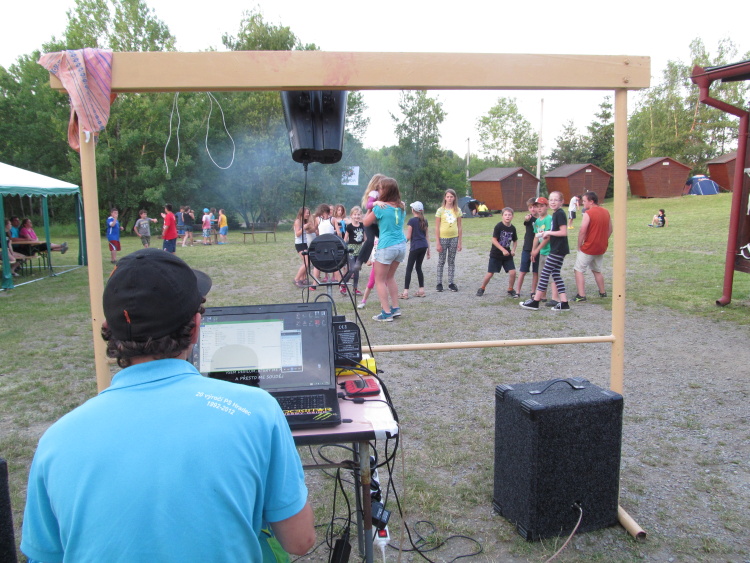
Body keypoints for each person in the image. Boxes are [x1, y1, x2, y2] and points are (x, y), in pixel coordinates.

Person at [20, 249, 315, 562]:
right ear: (196, 327)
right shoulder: (258, 411)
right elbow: (299, 541)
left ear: (109, 328)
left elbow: (46, 555)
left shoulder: (56, 439)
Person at [363, 177, 407, 322]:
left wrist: (371, 206)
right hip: (401, 245)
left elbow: (365, 222)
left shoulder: (380, 208)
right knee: (390, 277)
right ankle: (395, 308)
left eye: (380, 188)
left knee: (379, 280)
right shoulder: (402, 207)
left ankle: (386, 313)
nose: (378, 191)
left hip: (387, 246)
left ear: (386, 191)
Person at [520, 191, 571, 311]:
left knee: (545, 273)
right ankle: (564, 303)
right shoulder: (556, 214)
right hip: (558, 248)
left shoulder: (559, 214)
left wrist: (548, 232)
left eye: (556, 200)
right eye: (551, 200)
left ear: (562, 202)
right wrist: (545, 233)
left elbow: (563, 232)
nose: (553, 202)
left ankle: (535, 301)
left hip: (558, 249)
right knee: (555, 274)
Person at [573, 191, 613, 302]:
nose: (583, 203)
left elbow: (582, 230)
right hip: (601, 247)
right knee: (597, 270)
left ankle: (581, 295)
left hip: (589, 247)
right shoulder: (606, 212)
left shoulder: (588, 213)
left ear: (591, 201)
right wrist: (603, 239)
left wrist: (579, 245)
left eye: (584, 201)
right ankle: (602, 292)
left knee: (578, 270)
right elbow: (610, 229)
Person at [476, 207, 519, 297]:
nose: (507, 216)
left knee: (513, 272)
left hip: (507, 255)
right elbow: (494, 240)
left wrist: (513, 250)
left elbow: (515, 241)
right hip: (496, 254)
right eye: (505, 215)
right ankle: (482, 288)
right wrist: (503, 250)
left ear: (512, 216)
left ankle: (510, 289)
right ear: (502, 216)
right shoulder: (499, 226)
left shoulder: (513, 228)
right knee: (490, 273)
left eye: (509, 215)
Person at [354, 174, 386, 273]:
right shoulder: (374, 193)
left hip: (378, 223)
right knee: (370, 240)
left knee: (384, 238)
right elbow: (368, 205)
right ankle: (359, 261)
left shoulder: (384, 193)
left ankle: (382, 258)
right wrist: (376, 203)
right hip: (370, 222)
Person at [435, 188, 463, 292]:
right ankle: (439, 283)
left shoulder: (457, 210)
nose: (450, 198)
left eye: (451, 197)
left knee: (451, 261)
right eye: (448, 197)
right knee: (441, 261)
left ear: (454, 198)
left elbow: (459, 226)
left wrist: (460, 242)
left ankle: (451, 283)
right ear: (445, 198)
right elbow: (437, 227)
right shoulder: (440, 210)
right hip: (443, 238)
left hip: (454, 238)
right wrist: (437, 242)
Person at [400, 201, 430, 299]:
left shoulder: (412, 221)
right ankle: (421, 290)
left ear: (413, 210)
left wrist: (402, 242)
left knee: (409, 268)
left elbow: (408, 236)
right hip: (424, 246)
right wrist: (429, 250)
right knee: (418, 267)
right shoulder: (425, 221)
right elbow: (427, 236)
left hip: (415, 246)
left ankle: (405, 292)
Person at [514, 198, 540, 298]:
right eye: (530, 207)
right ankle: (517, 291)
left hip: (538, 249)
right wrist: (526, 219)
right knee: (523, 270)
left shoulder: (541, 219)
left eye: (534, 207)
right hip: (527, 248)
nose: (532, 209)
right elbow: (526, 221)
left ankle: (533, 291)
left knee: (536, 271)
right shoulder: (529, 218)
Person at [343, 206, 365, 296]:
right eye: (355, 214)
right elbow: (345, 239)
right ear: (351, 215)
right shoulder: (349, 227)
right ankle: (343, 284)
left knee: (357, 270)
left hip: (359, 249)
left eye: (358, 214)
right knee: (352, 268)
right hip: (351, 249)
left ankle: (355, 289)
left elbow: (365, 238)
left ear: (361, 215)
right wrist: (344, 249)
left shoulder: (362, 226)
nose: (357, 216)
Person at [293, 207, 316, 289]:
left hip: (304, 243)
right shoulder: (298, 221)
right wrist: (304, 227)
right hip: (299, 244)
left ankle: (302, 279)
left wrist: (311, 226)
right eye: (307, 213)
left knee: (306, 262)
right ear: (302, 213)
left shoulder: (304, 221)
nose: (308, 214)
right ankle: (296, 279)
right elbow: (297, 234)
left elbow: (310, 231)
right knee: (307, 263)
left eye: (309, 213)